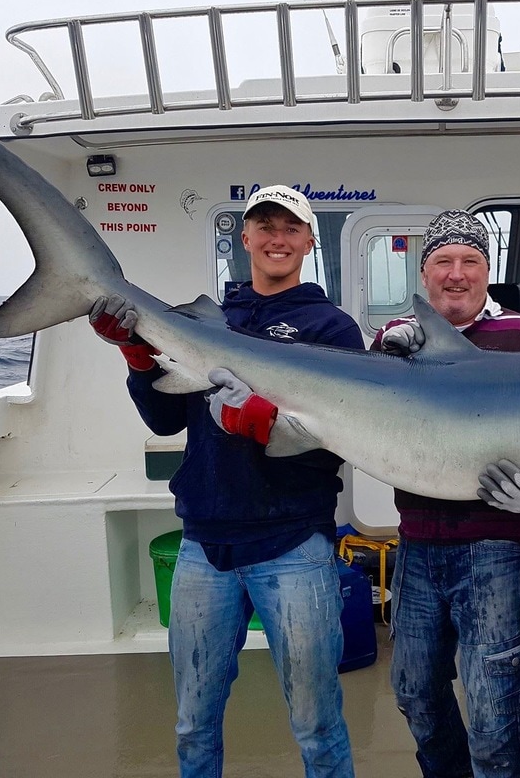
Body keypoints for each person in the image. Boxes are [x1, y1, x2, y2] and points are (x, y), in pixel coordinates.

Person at [88, 185, 362, 778]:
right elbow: (165, 418)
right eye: (264, 225)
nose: (277, 238)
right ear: (244, 239)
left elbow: (337, 446)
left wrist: (268, 426)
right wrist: (138, 359)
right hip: (203, 545)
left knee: (317, 724)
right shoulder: (202, 322)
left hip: (293, 544)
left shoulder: (332, 329)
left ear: (309, 242)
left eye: (290, 228)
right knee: (192, 722)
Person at [371, 208, 520, 778]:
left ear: (488, 270)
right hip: (416, 547)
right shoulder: (394, 340)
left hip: (498, 548)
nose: (455, 273)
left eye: (470, 261)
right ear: (424, 271)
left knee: (494, 715)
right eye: (442, 261)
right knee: (414, 693)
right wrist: (386, 351)